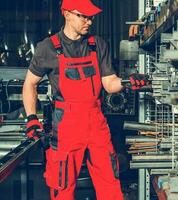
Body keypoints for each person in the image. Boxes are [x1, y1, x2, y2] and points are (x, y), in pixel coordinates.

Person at [22, 0, 148, 199]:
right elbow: (30, 83)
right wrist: (31, 118)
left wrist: (127, 81)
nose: (89, 21)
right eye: (84, 16)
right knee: (62, 186)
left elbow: (109, 83)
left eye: (91, 17)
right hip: (66, 126)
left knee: (110, 184)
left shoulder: (98, 44)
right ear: (67, 13)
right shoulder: (48, 47)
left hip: (96, 122)